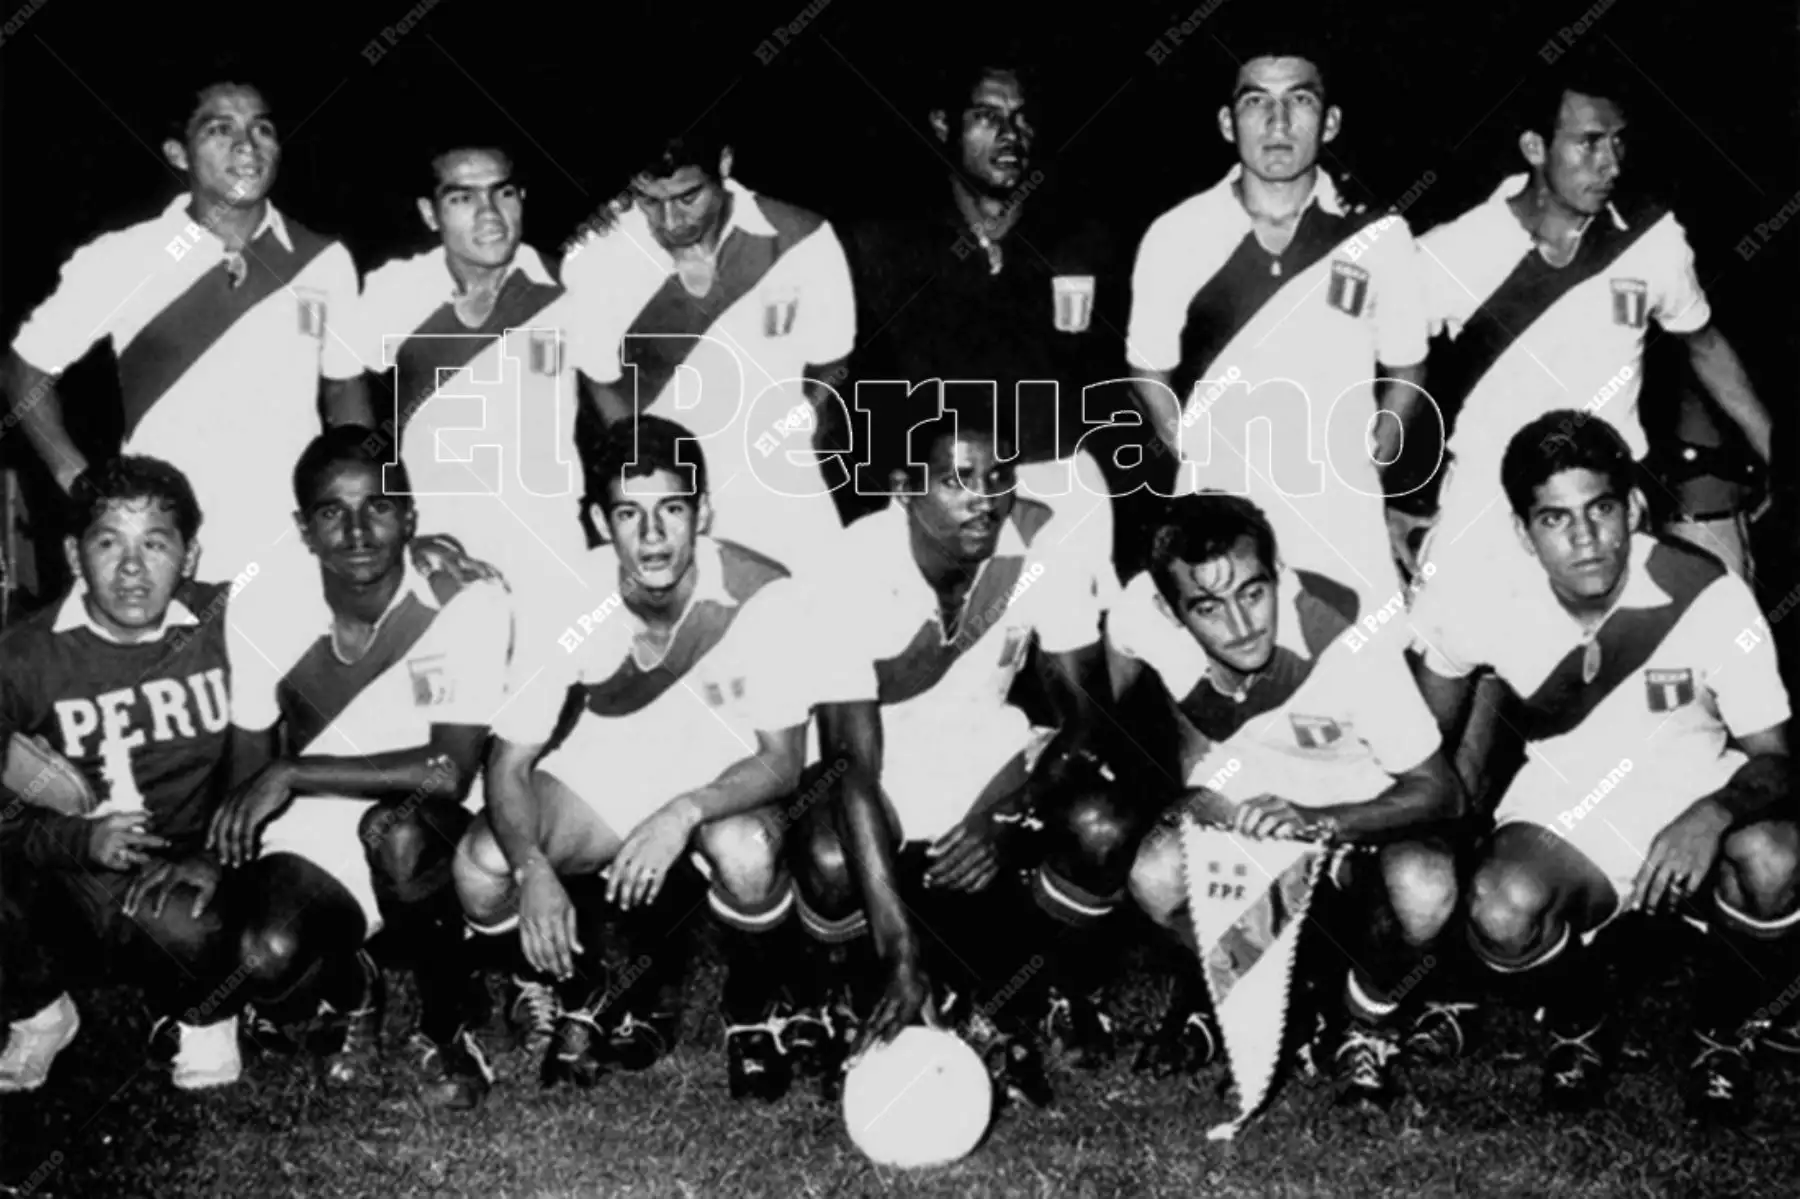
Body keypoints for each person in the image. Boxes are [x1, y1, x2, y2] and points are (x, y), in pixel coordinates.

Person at [1411, 413, 1793, 1124]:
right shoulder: (1483, 598)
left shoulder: (1705, 592)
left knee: (1775, 858)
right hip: (1568, 818)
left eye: (1601, 508)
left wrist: (1711, 815)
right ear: (1525, 532)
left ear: (1634, 508)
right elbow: (1415, 738)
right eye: (1555, 518)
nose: (1584, 538)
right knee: (1500, 906)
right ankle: (1581, 1021)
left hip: (1697, 802)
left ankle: (1724, 1029)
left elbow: (1778, 761)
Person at [454, 414, 817, 1100]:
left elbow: (782, 762)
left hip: (722, 774)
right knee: (481, 866)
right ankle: (579, 982)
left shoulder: (765, 592)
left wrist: (682, 813)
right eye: (629, 512)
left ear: (702, 511)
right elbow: (507, 762)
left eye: (671, 509)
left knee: (746, 850)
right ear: (599, 520)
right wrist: (533, 870)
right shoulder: (567, 593)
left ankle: (752, 1005)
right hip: (608, 773)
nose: (652, 536)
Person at [788, 409, 1118, 1109]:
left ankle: (1028, 997)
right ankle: (856, 991)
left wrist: (1010, 814)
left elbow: (1088, 721)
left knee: (1100, 818)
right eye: (957, 480)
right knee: (827, 853)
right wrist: (900, 951)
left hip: (986, 750)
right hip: (881, 762)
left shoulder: (1039, 539)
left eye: (997, 477)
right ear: (907, 487)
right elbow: (852, 765)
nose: (984, 498)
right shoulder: (854, 562)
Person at [1117, 493, 1462, 1105]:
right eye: (1208, 607)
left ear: (1278, 576)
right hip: (1263, 828)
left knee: (1426, 885)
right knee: (1155, 873)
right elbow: (1196, 773)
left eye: (1253, 592)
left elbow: (1441, 792)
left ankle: (1366, 1019)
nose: (1241, 624)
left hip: (1365, 829)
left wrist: (1323, 822)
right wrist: (1206, 806)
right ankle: (1277, 996)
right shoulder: (1146, 626)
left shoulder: (1347, 643)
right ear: (1174, 613)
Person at [211, 427, 511, 1110]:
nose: (356, 531)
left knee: (395, 833)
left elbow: (448, 770)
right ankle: (355, 985)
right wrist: (223, 856)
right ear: (303, 528)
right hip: (310, 830)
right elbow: (249, 773)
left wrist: (296, 773)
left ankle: (445, 1024)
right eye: (330, 512)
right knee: (263, 958)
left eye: (378, 507)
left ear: (410, 515)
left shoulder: (467, 600)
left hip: (416, 814)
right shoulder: (262, 607)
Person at [1413, 50, 1773, 591]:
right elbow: (1363, 361)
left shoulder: (1650, 241)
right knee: (1463, 670)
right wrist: (1386, 496)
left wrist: (1774, 447)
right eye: (1589, 143)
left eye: (1618, 141)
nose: (1612, 163)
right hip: (1483, 522)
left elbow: (1702, 343)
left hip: (1604, 522)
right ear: (1535, 147)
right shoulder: (1455, 251)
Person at [3, 79, 372, 588]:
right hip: (163, 556)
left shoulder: (325, 261)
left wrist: (369, 503)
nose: (247, 145)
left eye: (261, 129)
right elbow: (25, 368)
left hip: (292, 550)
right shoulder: (122, 258)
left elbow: (346, 386)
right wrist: (78, 480)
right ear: (178, 153)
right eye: (221, 130)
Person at [1126, 40, 1429, 614]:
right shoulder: (1176, 234)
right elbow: (1147, 370)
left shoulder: (1380, 235)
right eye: (1256, 102)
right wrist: (1199, 456)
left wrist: (1372, 455)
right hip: (1219, 517)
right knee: (1227, 687)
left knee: (1363, 681)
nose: (1278, 121)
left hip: (1341, 515)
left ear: (1331, 121)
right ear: (1226, 121)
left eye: (1301, 100)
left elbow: (1408, 363)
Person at [842, 55, 1130, 596]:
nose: (1009, 134)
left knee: (1076, 659)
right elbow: (856, 389)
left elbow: (1115, 382)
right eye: (986, 117)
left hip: (1057, 474)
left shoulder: (1083, 238)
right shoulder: (885, 244)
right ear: (943, 125)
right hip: (942, 492)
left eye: (1021, 119)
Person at [0, 456, 241, 1093]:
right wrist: (80, 839)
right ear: (75, 557)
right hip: (72, 877)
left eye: (155, 544)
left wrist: (436, 560)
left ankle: (202, 1013)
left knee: (186, 924)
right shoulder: (25, 657)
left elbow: (347, 590)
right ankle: (38, 1011)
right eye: (108, 543)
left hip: (195, 868)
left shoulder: (232, 620)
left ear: (189, 557)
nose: (132, 569)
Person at [562, 124, 854, 583]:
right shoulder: (597, 257)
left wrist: (798, 445)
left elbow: (831, 362)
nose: (671, 221)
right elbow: (599, 381)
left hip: (790, 504)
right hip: (672, 517)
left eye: (688, 197)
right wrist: (650, 487)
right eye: (649, 200)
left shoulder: (803, 239)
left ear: (723, 164)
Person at [349, 140, 590, 661]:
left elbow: (617, 402)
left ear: (521, 197)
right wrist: (378, 514)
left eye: (502, 193)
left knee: (544, 718)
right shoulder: (394, 290)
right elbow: (342, 385)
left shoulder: (570, 287)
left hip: (550, 549)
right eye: (461, 199)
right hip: (437, 548)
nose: (489, 215)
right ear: (428, 213)